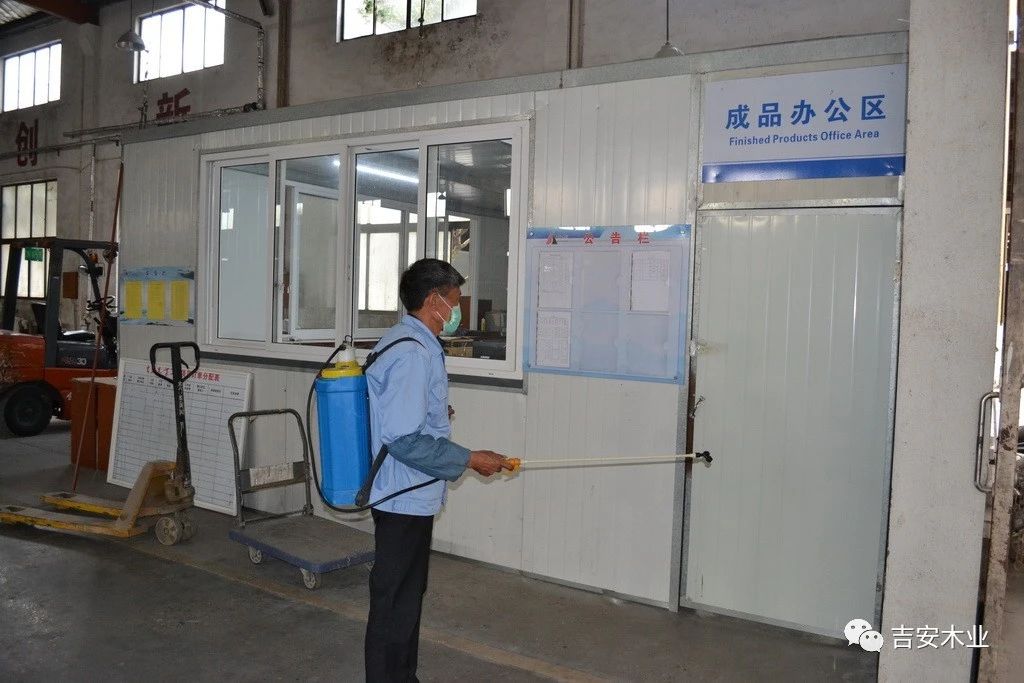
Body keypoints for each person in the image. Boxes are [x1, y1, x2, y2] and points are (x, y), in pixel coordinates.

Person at [363, 258, 512, 683]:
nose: (458, 310)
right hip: (402, 496)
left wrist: (434, 412)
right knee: (395, 601)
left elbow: (401, 415)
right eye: (455, 301)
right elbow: (402, 439)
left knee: (406, 598)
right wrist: (468, 458)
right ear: (434, 301)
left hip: (408, 492)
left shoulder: (409, 340)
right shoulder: (412, 353)